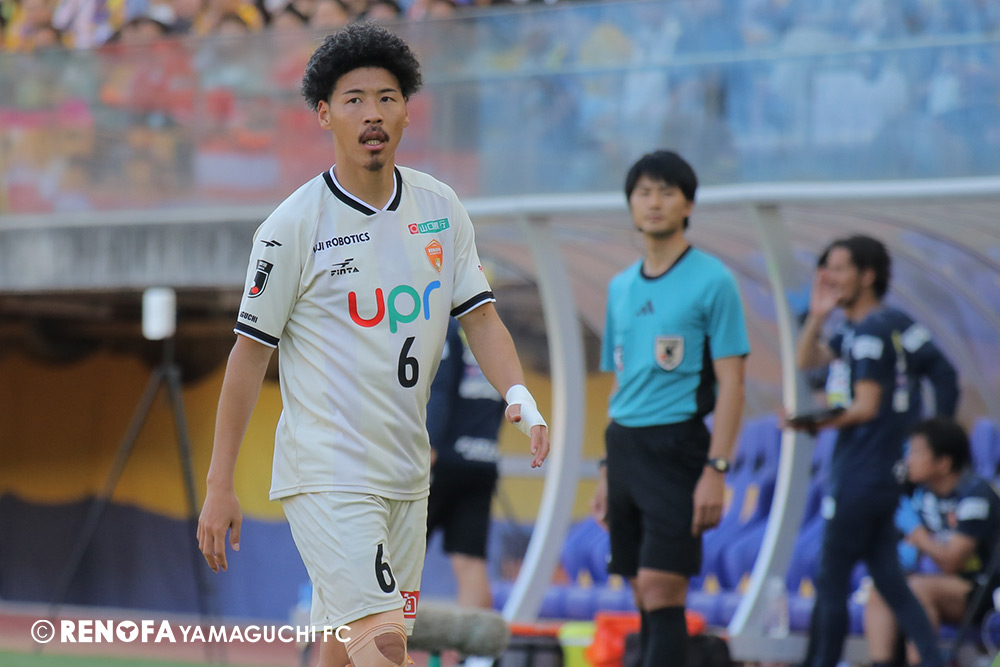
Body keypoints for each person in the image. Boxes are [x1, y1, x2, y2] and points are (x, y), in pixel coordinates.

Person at [196, 22, 549, 667]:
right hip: (327, 473)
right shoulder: (290, 227)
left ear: (407, 111)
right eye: (354, 100)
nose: (372, 114)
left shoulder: (441, 209)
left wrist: (519, 395)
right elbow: (248, 356)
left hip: (409, 475)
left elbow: (480, 318)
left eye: (387, 98)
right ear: (324, 114)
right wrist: (221, 483)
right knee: (382, 647)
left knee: (347, 648)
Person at [590, 150, 750, 667]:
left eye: (666, 192)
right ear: (631, 205)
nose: (654, 202)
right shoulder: (619, 286)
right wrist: (606, 469)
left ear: (688, 205)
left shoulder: (713, 280)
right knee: (641, 590)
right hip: (625, 448)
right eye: (643, 192)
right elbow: (620, 383)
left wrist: (716, 469)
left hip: (678, 446)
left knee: (663, 587)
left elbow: (733, 383)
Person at [792, 234, 959, 667]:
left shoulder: (871, 332)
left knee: (831, 579)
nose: (828, 277)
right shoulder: (876, 326)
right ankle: (932, 661)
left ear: (867, 276)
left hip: (863, 471)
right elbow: (808, 361)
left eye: (838, 268)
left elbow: (866, 407)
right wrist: (817, 316)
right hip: (886, 470)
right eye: (824, 269)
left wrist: (810, 423)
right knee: (889, 579)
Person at [864, 418, 1000, 666]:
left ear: (943, 463)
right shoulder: (922, 495)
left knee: (916, 589)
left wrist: (919, 536)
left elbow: (952, 562)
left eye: (916, 452)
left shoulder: (976, 496)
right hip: (939, 585)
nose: (909, 460)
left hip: (982, 592)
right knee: (880, 589)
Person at [426, 317, 505, 609]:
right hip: (483, 460)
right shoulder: (492, 331)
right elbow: (506, 397)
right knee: (470, 561)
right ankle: (476, 642)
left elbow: (440, 388)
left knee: (400, 552)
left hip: (443, 459)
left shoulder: (445, 327)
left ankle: (382, 635)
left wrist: (429, 445)